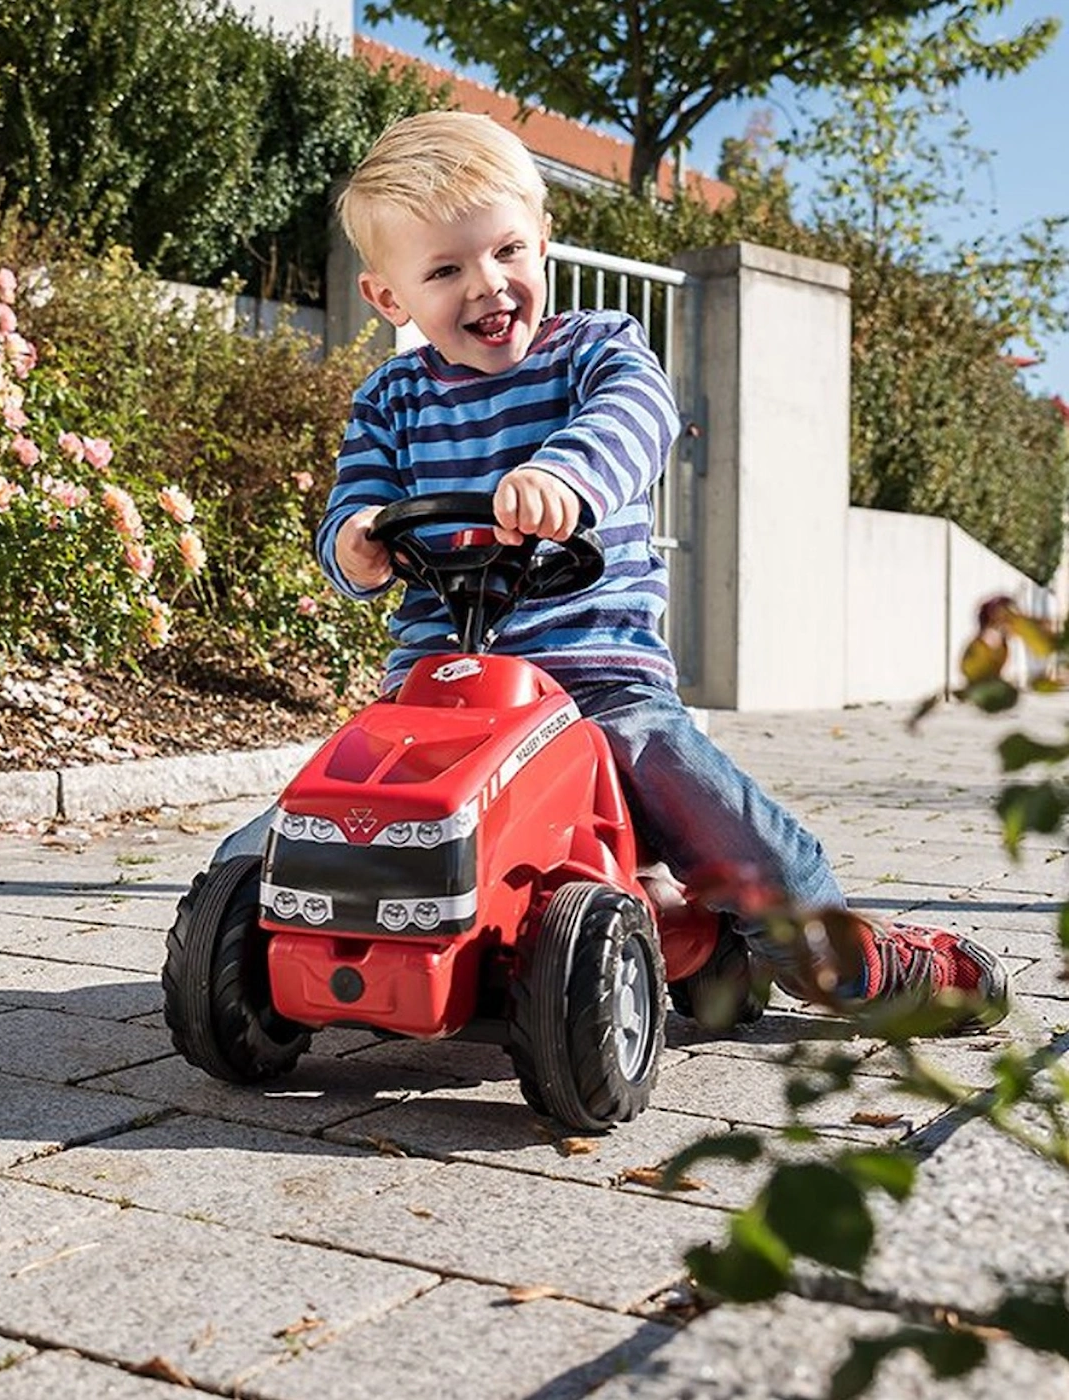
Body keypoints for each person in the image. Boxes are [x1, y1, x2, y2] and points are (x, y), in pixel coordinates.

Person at [224, 110, 1009, 1031]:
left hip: (600, 681)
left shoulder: (596, 349)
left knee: (733, 832)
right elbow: (354, 510)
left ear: (543, 237)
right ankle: (249, 933)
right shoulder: (390, 398)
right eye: (444, 271)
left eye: (507, 250)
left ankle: (838, 958)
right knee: (298, 826)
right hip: (434, 697)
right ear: (390, 298)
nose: (487, 285)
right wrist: (356, 540)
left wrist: (564, 475)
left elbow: (637, 418)